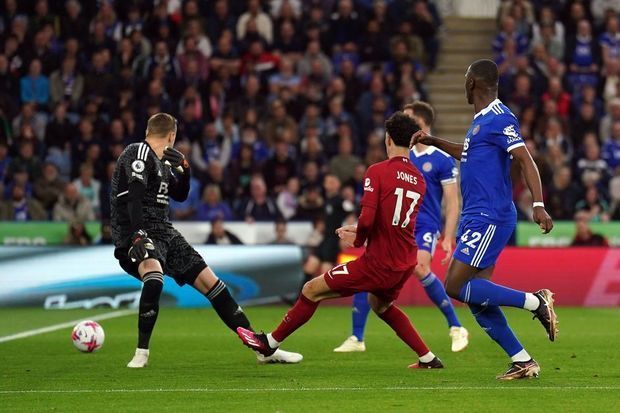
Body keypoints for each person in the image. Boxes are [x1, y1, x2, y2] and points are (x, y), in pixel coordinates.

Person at [237, 112, 443, 369]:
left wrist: (358, 238)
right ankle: (428, 358)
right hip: (405, 261)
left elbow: (368, 219)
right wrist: (360, 230)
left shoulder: (377, 171)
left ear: (388, 139)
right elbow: (394, 220)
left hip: (379, 263)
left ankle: (270, 343)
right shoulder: (419, 179)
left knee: (311, 289)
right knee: (380, 305)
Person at [110, 113, 301, 368]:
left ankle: (262, 349)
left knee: (214, 285)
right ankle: (141, 353)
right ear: (172, 135)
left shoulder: (164, 161)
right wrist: (137, 234)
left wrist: (186, 170)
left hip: (166, 232)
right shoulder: (138, 152)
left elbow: (180, 195)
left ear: (149, 130)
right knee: (154, 279)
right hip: (137, 230)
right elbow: (133, 198)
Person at [411, 59, 557, 380]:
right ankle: (522, 360)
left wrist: (538, 204)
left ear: (472, 83)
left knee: (454, 285)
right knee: (478, 296)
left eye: (465, 79)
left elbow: (525, 158)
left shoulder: (500, 117)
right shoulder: (480, 122)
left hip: (489, 215)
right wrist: (433, 141)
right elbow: (467, 152)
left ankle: (535, 301)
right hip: (476, 215)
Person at [334, 101, 468, 354]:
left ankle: (456, 326)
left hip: (425, 225)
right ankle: (357, 337)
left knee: (420, 266)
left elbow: (452, 202)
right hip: (395, 225)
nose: (402, 122)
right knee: (369, 269)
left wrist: (448, 236)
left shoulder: (441, 159)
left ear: (421, 122)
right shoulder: (402, 154)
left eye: (408, 117)